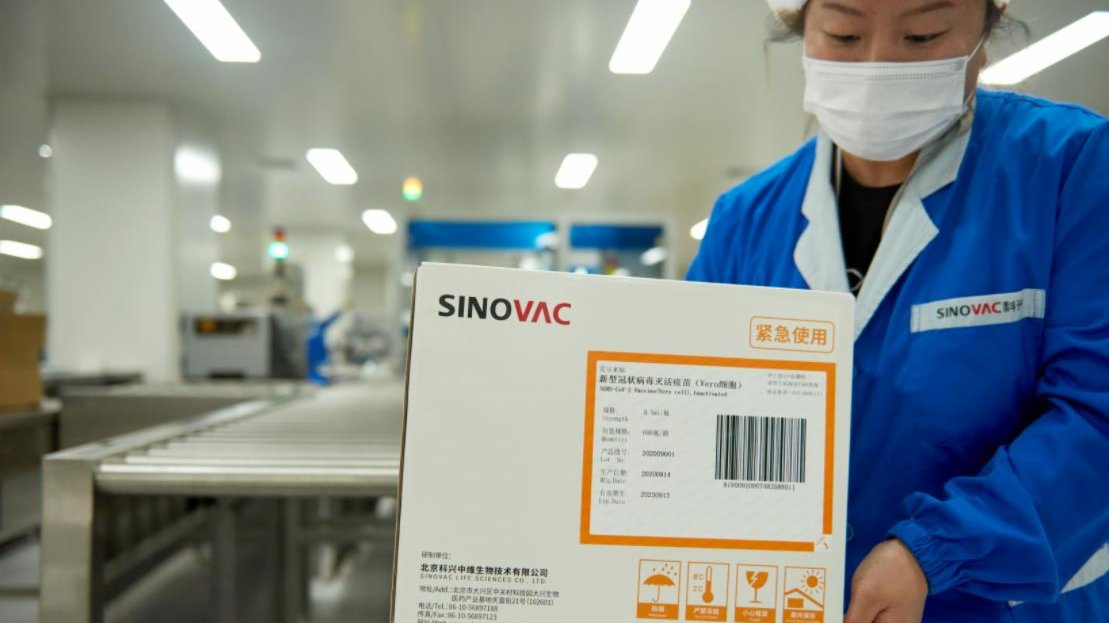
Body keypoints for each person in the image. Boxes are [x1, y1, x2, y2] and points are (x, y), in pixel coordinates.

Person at [686, 1, 1108, 621]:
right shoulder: (744, 222)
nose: (878, 66)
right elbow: (692, 418)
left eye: (920, 35)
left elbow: (1097, 410)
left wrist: (935, 552)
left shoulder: (1070, 169)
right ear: (803, 26)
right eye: (845, 34)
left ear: (986, 28)